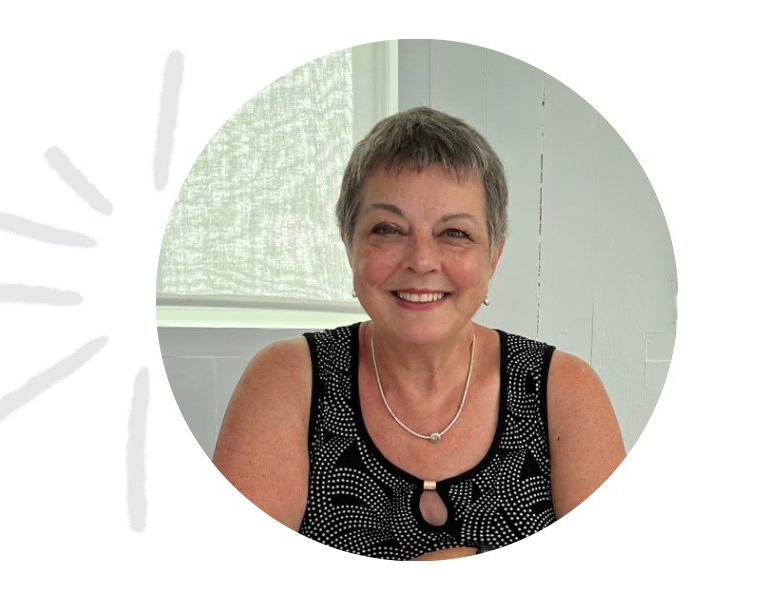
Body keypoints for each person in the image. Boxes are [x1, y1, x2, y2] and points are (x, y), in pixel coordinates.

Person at [212, 106, 626, 561]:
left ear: (494, 256)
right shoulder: (287, 379)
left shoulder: (565, 389)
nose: (422, 260)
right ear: (349, 243)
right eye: (388, 229)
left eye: (454, 232)